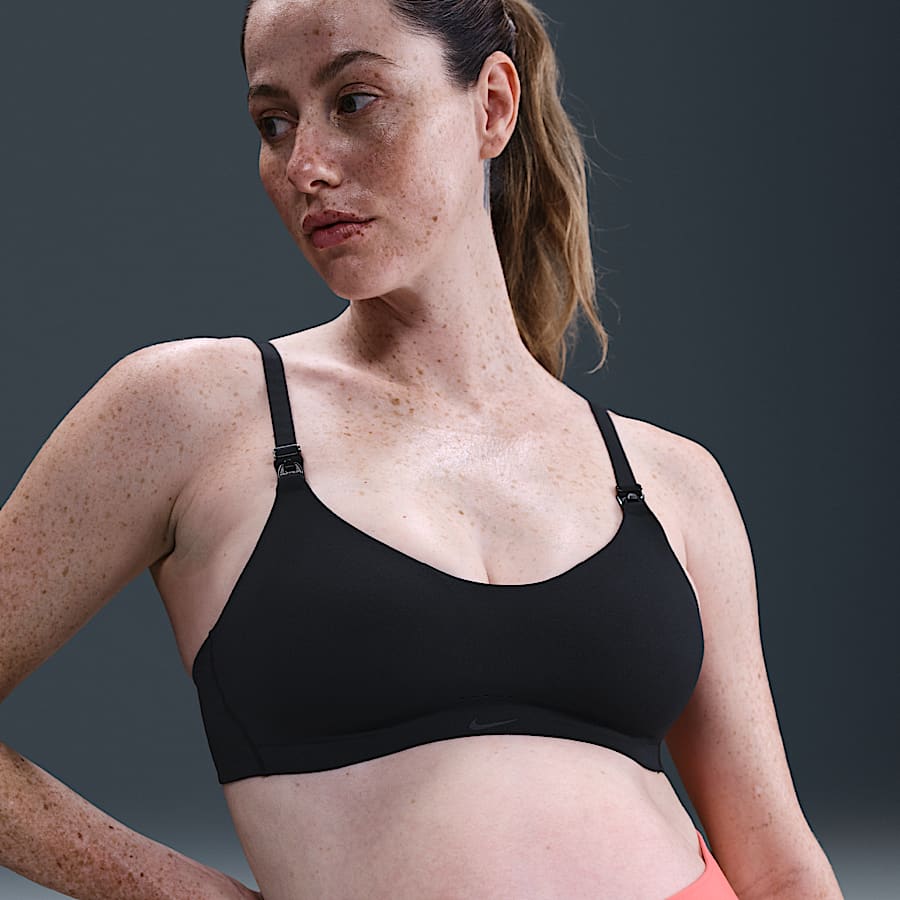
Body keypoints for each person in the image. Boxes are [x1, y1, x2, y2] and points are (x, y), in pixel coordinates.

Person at [0, 0, 845, 898]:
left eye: (355, 101)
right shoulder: (196, 413)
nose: (305, 165)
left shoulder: (669, 479)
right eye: (273, 123)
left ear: (492, 106)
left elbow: (780, 868)